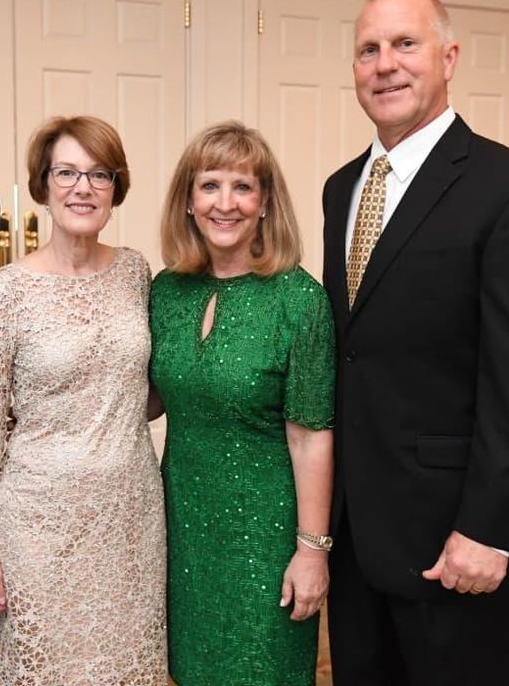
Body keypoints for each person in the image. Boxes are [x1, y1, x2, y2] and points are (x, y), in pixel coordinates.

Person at [321, 0, 509, 685]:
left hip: (453, 536)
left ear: (449, 57)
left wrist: (490, 529)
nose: (385, 64)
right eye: (368, 50)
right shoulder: (341, 188)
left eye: (406, 44)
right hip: (355, 530)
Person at [0, 116, 167, 686]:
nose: (83, 188)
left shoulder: (136, 272)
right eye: (67, 173)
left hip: (130, 516)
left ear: (116, 188)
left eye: (99, 174)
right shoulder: (4, 291)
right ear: (43, 185)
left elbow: (145, 391)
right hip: (37, 523)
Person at [149, 122, 335, 686]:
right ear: (188, 200)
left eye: (243, 187)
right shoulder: (166, 291)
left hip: (267, 533)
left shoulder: (299, 300)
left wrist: (312, 551)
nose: (225, 203)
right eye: (209, 185)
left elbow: (311, 436)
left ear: (265, 202)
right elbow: (145, 401)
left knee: (262, 669)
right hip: (183, 526)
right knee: (193, 668)